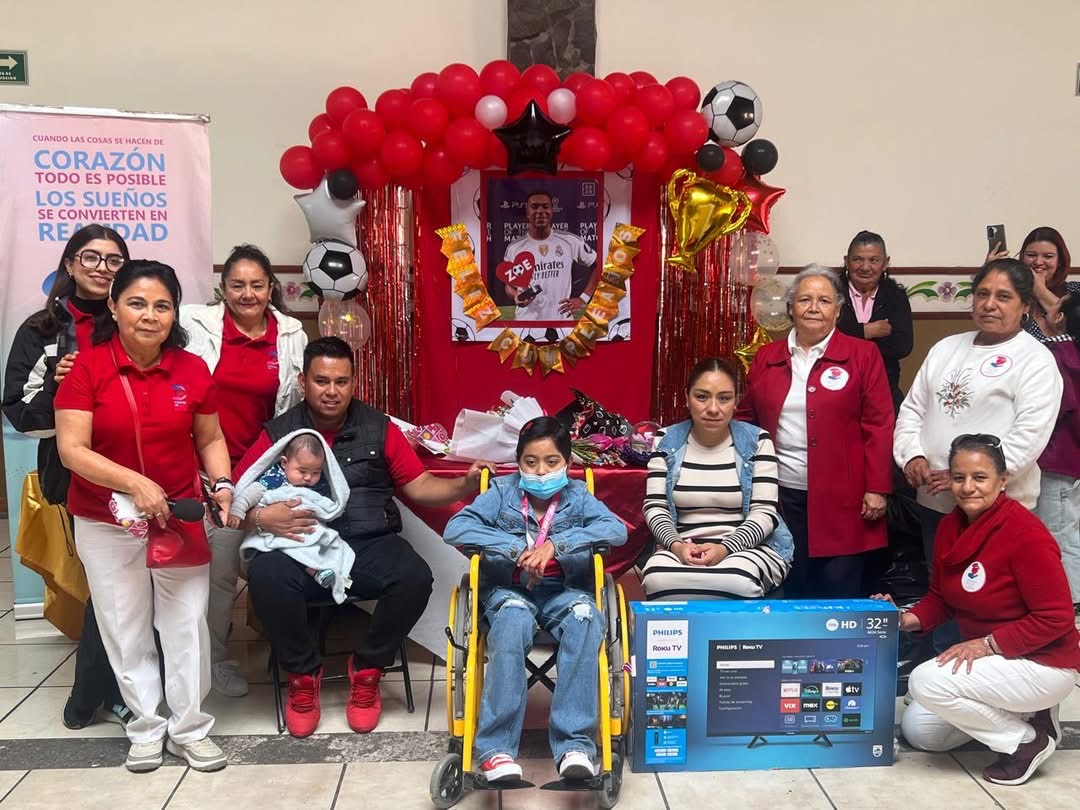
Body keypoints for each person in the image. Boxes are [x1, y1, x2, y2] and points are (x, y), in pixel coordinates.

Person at [237, 336, 493, 738]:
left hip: (367, 542)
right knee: (266, 578)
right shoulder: (280, 433)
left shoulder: (379, 428)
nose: (332, 391)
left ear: (354, 382)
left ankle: (368, 669)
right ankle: (302, 677)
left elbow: (422, 487)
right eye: (322, 381)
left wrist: (464, 484)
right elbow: (237, 496)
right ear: (304, 382)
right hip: (300, 544)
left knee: (413, 578)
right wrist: (261, 517)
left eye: (341, 381)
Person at [54, 260, 233, 774]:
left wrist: (222, 483)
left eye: (162, 305)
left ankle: (190, 728)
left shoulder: (191, 369)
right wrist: (134, 483)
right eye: (137, 303)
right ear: (113, 306)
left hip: (179, 516)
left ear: (174, 313)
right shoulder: (87, 368)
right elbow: (72, 449)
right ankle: (147, 727)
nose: (150, 315)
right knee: (124, 625)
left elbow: (210, 438)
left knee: (187, 623)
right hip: (106, 520)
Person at [880, 435, 1080, 787]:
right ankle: (1027, 715)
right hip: (999, 661)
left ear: (1002, 481)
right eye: (959, 477)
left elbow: (1056, 617)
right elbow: (941, 599)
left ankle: (1026, 741)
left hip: (1043, 662)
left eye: (980, 477)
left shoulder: (1025, 534)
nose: (968, 487)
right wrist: (902, 619)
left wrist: (987, 644)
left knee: (924, 681)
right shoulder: (950, 527)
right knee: (923, 732)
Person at [443, 416, 627, 783]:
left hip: (564, 593)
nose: (541, 471)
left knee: (586, 618)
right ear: (518, 462)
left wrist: (556, 545)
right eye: (530, 462)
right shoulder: (501, 492)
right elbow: (456, 528)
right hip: (510, 592)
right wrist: (514, 548)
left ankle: (575, 746)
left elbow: (616, 529)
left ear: (567, 462)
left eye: (551, 461)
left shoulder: (578, 496)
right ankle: (496, 751)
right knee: (512, 620)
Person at [2, 224, 132, 730]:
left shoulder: (134, 319)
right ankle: (96, 694)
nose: (103, 268)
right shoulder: (41, 329)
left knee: (129, 584)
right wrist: (59, 390)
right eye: (91, 257)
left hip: (139, 468)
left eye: (114, 259)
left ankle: (103, 691)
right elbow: (19, 413)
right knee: (107, 585)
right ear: (71, 264)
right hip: (75, 473)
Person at [180, 243, 307, 697]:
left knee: (271, 559)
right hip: (204, 469)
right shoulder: (195, 325)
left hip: (262, 470)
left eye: (256, 285)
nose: (247, 294)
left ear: (271, 288)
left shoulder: (290, 334)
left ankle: (284, 649)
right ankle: (215, 659)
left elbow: (294, 408)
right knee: (217, 572)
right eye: (237, 285)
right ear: (223, 288)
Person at [894, 259, 1063, 571]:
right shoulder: (945, 348)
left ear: (1025, 306)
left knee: (990, 594)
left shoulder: (1036, 360)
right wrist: (912, 456)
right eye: (982, 294)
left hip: (998, 509)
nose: (989, 304)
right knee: (942, 589)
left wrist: (966, 478)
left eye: (1003, 296)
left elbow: (1029, 437)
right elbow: (913, 410)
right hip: (935, 505)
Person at [736, 265, 894, 598]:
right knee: (789, 585)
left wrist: (877, 488)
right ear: (790, 308)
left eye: (824, 301)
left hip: (845, 499)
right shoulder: (766, 357)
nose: (813, 307)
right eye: (805, 299)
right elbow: (747, 419)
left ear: (837, 311)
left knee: (838, 589)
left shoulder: (863, 355)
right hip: (781, 495)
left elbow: (879, 424)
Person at [640, 357, 793, 600]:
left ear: (735, 401)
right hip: (681, 546)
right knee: (657, 579)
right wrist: (677, 547)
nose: (713, 408)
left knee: (737, 580)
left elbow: (765, 513)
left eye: (724, 398)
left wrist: (725, 549)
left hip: (748, 548)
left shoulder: (757, 441)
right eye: (702, 397)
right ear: (687, 397)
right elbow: (655, 507)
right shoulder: (666, 440)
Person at [230, 430, 353, 603]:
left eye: (316, 472)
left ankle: (324, 568)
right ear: (284, 463)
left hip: (306, 529)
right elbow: (250, 494)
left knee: (323, 542)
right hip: (276, 531)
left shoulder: (319, 484)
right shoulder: (274, 477)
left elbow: (325, 506)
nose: (308, 478)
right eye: (302, 471)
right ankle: (315, 570)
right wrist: (237, 510)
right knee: (288, 550)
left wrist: (327, 510)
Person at [1033, 292, 1080, 610]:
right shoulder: (1071, 350)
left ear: (1059, 317)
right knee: (1067, 528)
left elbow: (1058, 407)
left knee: (1058, 532)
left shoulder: (1057, 354)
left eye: (1053, 306)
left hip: (1059, 458)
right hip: (1070, 460)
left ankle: (1071, 601)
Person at [836, 230, 913, 410]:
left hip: (884, 386)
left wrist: (849, 337)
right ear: (846, 261)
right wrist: (866, 331)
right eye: (858, 259)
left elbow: (902, 346)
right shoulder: (831, 293)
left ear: (885, 263)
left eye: (873, 260)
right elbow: (825, 336)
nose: (865, 267)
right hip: (837, 384)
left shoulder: (896, 296)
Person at [503, 190, 598, 321]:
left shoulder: (570, 241)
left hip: (561, 322)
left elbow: (598, 265)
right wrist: (515, 296)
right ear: (527, 212)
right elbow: (508, 285)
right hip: (527, 322)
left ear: (552, 211)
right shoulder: (514, 248)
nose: (540, 211)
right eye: (534, 207)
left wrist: (584, 298)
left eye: (545, 206)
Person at [988, 226, 1079, 343]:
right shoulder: (1014, 296)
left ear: (1060, 261)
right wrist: (990, 274)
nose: (1038, 262)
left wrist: (1040, 290)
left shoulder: (1075, 290)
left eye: (1048, 256)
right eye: (1031, 255)